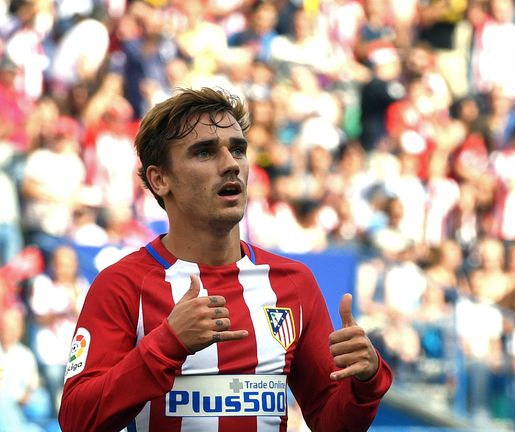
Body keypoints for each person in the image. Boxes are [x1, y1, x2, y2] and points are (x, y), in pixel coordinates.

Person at [58, 87, 392, 432]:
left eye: (237, 149)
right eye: (204, 152)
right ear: (160, 180)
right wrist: (166, 344)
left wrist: (368, 379)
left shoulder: (292, 282)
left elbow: (331, 423)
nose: (231, 164)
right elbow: (77, 421)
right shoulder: (122, 285)